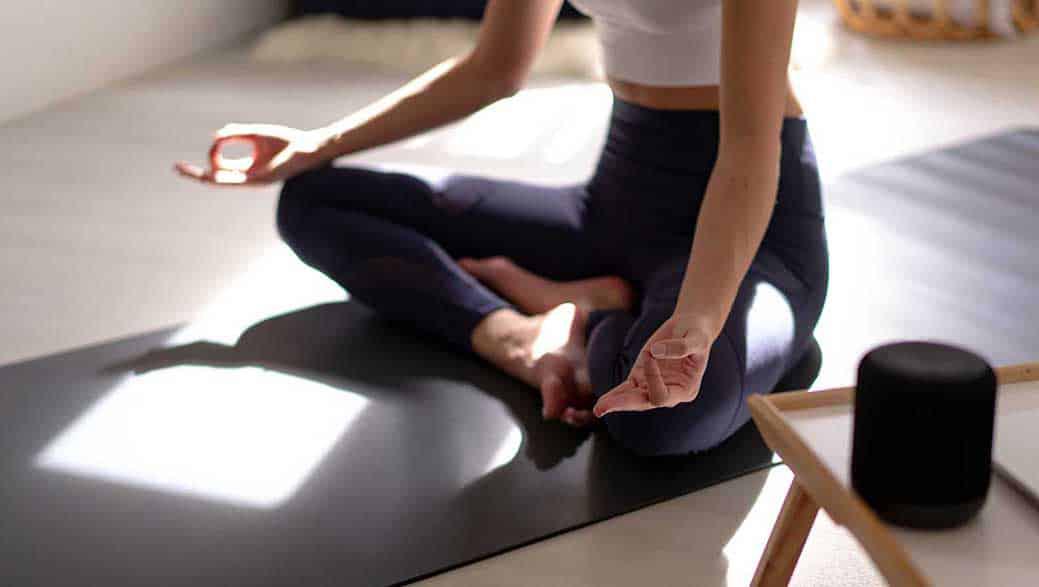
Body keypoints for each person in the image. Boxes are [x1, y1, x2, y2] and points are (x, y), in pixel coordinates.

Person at [175, 0, 827, 456]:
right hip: (614, 201)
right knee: (314, 199)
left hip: (754, 231)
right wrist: (317, 143)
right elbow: (494, 68)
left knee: (666, 413)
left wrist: (698, 320)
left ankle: (597, 310)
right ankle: (519, 337)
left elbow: (748, 149)